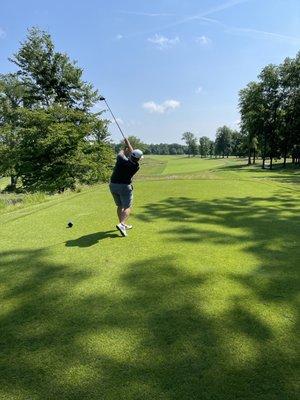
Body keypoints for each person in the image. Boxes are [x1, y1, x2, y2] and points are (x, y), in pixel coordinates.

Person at [109, 137, 143, 237]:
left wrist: (125, 147)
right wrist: (128, 144)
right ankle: (122, 224)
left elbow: (121, 153)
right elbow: (134, 154)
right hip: (124, 187)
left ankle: (122, 224)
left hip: (113, 185)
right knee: (127, 207)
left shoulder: (121, 159)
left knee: (120, 206)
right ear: (138, 159)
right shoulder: (136, 166)